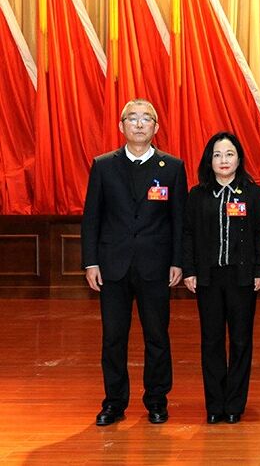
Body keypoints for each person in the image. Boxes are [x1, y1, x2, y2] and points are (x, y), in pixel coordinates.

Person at [81, 98, 187, 426]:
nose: (139, 124)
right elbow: (91, 218)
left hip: (156, 266)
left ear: (156, 127)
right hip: (112, 266)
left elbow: (179, 220)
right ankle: (114, 403)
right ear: (121, 125)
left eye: (146, 119)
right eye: (132, 118)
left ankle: (156, 400)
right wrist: (90, 262)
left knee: (157, 336)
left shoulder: (172, 167)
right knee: (113, 337)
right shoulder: (103, 165)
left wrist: (178, 261)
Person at [182, 132, 260, 424]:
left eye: (229, 154)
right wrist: (190, 270)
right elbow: (188, 234)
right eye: (217, 155)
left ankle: (234, 405)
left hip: (242, 278)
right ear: (209, 160)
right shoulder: (198, 194)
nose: (223, 160)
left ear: (239, 159)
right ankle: (214, 404)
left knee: (241, 341)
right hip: (208, 278)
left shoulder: (252, 193)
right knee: (212, 341)